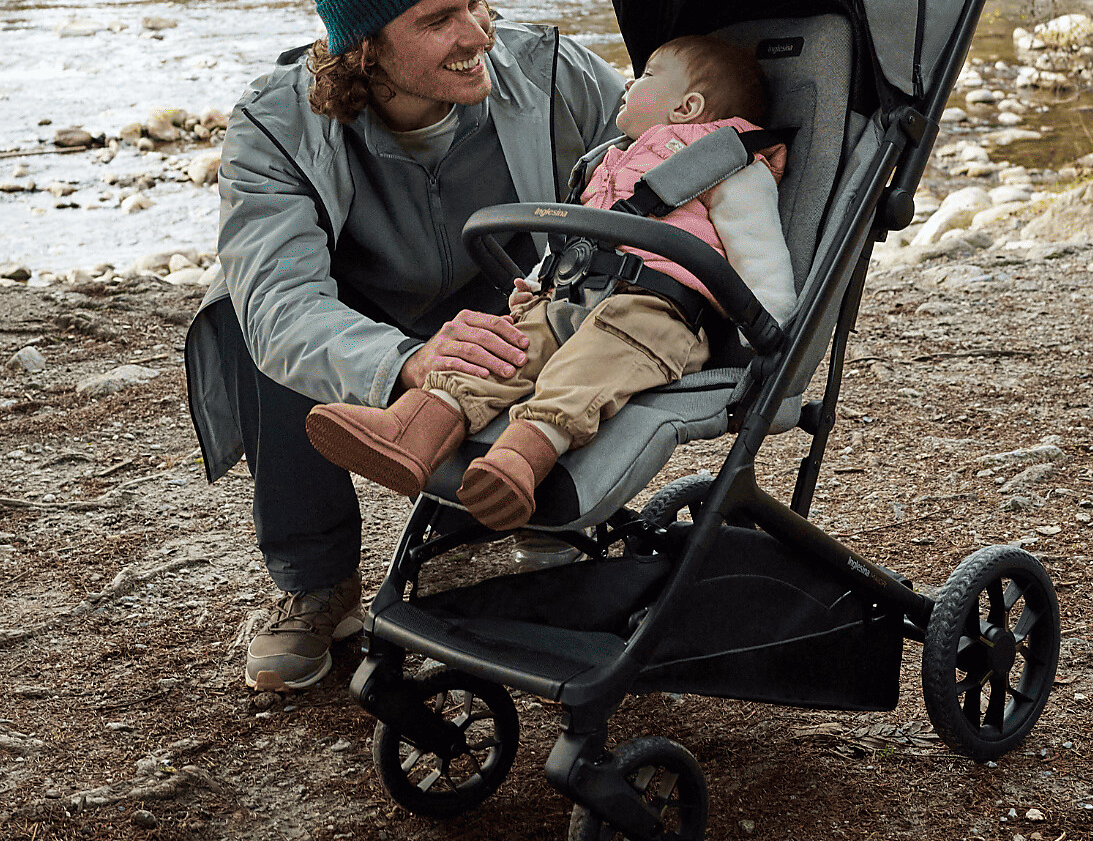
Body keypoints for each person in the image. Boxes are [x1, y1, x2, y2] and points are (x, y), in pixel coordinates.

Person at [183, 0, 625, 691]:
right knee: (246, 319)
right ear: (364, 48)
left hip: (512, 307)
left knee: (590, 301)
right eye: (438, 19)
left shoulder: (556, 75)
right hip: (367, 324)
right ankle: (317, 583)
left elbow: (650, 162)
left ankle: (548, 508)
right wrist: (407, 361)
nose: (479, 34)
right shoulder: (273, 124)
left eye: (476, 1)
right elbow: (282, 306)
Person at [304, 34, 797, 531]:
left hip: (654, 311)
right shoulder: (614, 158)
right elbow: (579, 235)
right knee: (507, 347)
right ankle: (414, 428)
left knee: (589, 367)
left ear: (687, 107)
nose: (628, 82)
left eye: (645, 75)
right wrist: (538, 280)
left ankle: (519, 459)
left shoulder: (726, 164)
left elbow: (758, 250)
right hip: (571, 293)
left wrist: (765, 332)